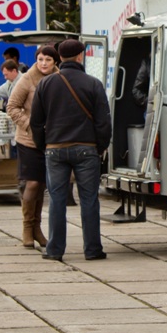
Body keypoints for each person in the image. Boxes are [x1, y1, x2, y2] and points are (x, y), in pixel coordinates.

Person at [30, 39, 112, 261]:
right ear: (79, 56)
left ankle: (55, 250)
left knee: (57, 200)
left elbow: (35, 121)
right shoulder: (93, 83)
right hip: (87, 149)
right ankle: (93, 249)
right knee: (89, 200)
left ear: (59, 58)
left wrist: (43, 145)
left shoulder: (45, 84)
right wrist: (100, 146)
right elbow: (104, 121)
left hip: (55, 149)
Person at [7, 46, 60, 249]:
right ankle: (27, 228)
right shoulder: (27, 79)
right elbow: (12, 107)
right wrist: (30, 125)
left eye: (48, 59)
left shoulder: (60, 78)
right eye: (40, 59)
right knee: (32, 184)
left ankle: (37, 228)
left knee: (44, 185)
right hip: (29, 140)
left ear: (55, 61)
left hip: (52, 140)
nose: (44, 63)